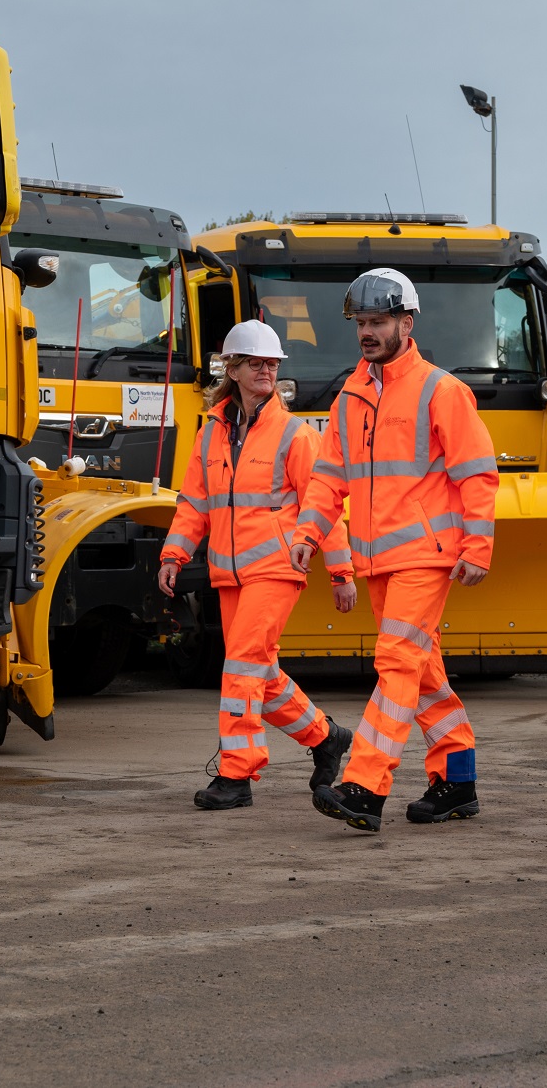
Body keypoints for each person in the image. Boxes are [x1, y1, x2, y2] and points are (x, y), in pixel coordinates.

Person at [287, 268, 498, 833]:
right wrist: (309, 535)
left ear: (407, 322)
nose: (368, 333)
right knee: (424, 673)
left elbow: (478, 474)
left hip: (425, 556)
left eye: (378, 322)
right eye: (361, 323)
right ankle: (458, 780)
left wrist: (478, 547)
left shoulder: (441, 390)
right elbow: (329, 478)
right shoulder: (350, 398)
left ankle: (364, 784)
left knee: (396, 664)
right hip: (378, 559)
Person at [158, 319, 355, 810]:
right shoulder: (210, 436)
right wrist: (173, 553)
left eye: (272, 363)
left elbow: (324, 506)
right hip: (230, 573)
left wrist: (341, 572)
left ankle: (237, 774)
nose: (267, 370)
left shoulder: (294, 436)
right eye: (257, 363)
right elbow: (193, 505)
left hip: (277, 568)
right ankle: (325, 737)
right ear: (233, 369)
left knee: (241, 668)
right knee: (260, 676)